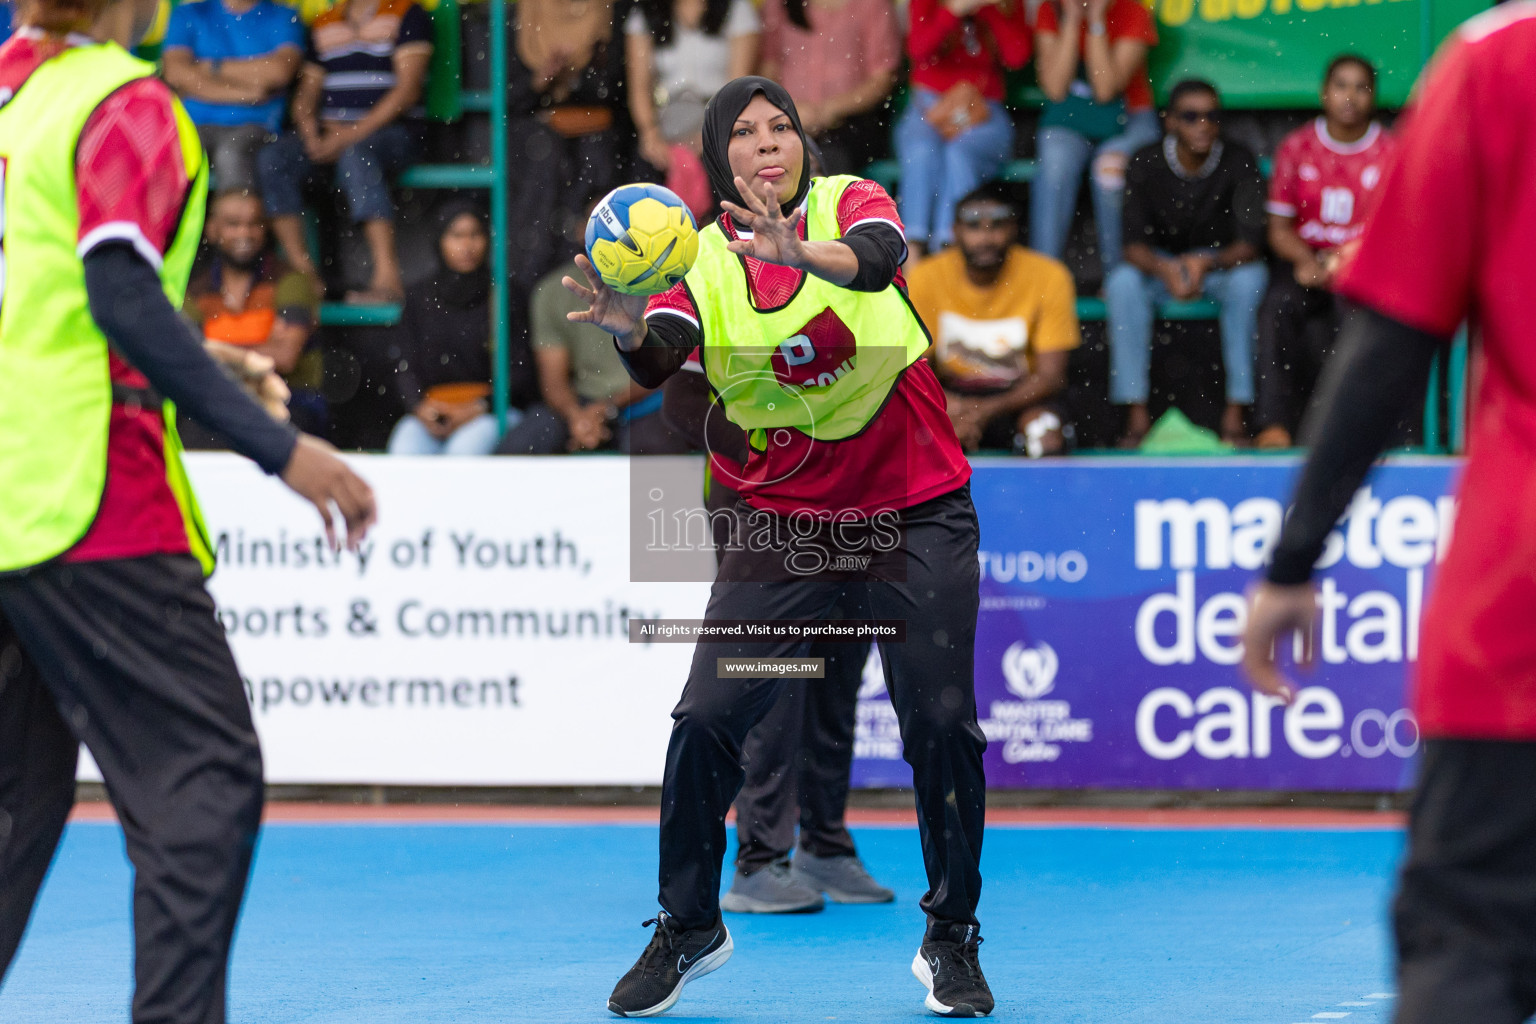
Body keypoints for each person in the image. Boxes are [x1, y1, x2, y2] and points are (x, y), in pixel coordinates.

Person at [566, 76, 991, 1018]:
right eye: (746, 134)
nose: (768, 144)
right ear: (721, 158)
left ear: (802, 142)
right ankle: (688, 927)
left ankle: (951, 935)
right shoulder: (701, 260)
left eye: (781, 127)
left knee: (941, 725)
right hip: (784, 531)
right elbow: (660, 352)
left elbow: (879, 262)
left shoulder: (850, 204)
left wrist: (800, 252)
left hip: (912, 514)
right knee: (708, 718)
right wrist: (631, 324)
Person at [0, 0, 376, 1021]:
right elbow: (116, 293)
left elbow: (43, 299)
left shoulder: (13, 91)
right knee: (203, 781)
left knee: (14, 810)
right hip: (92, 500)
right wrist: (280, 447)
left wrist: (206, 356)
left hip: (9, 494)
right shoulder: (123, 105)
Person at [1242, 9, 1536, 1024]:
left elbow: (1392, 344)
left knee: (1469, 951)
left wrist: (1291, 561)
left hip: (1518, 634)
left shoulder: (1503, 62)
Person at [663, 356, 895, 914]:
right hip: (759, 501)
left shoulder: (859, 283)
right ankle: (760, 859)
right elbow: (682, 406)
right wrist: (778, 455)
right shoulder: (725, 284)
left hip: (854, 502)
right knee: (774, 675)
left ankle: (824, 843)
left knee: (838, 669)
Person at [1105, 79, 1267, 446]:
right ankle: (1135, 414)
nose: (1203, 125)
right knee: (1122, 283)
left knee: (1251, 280)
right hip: (1159, 269)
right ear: (1170, 122)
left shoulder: (1239, 159)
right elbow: (1132, 246)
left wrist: (1204, 263)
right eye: (1190, 116)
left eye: (1211, 116)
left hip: (1217, 267)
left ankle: (1236, 410)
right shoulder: (1145, 160)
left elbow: (1251, 244)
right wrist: (1167, 269)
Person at [1253, 55, 1396, 448]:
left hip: (1365, 267)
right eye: (1341, 86)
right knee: (1277, 307)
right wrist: (1305, 260)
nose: (1350, 96)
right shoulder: (1297, 146)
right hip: (1306, 264)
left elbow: (1396, 230)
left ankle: (1356, 429)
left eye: (1361, 87)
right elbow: (1279, 228)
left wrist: (1346, 260)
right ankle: (1273, 426)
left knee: (1356, 317)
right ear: (1324, 93)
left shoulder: (1390, 151)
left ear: (1373, 96)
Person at [257, 0, 433, 303]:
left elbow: (407, 91)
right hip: (333, 137)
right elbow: (306, 94)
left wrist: (350, 135)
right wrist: (310, 132)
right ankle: (305, 276)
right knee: (274, 159)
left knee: (358, 155)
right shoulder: (325, 22)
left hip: (394, 134)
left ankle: (387, 278)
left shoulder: (407, 13)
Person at [908, 183, 1080, 455]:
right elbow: (912, 366)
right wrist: (951, 406)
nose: (985, 238)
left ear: (1013, 228)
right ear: (955, 231)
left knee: (1044, 435)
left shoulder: (1049, 275)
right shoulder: (926, 277)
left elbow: (1050, 377)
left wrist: (982, 411)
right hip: (950, 395)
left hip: (1021, 397)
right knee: (908, 438)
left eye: (997, 225)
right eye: (974, 226)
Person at [496, 247, 690, 455]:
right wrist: (578, 418)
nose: (615, 238)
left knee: (658, 448)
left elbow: (665, 371)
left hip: (644, 402)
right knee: (519, 447)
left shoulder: (662, 285)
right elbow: (553, 383)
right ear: (583, 230)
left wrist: (606, 408)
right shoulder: (556, 288)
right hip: (580, 403)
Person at [1028, 0, 1159, 274]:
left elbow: (1105, 89)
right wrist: (1073, 20)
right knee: (1055, 165)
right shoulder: (1050, 9)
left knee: (1108, 170)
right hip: (1073, 119)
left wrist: (1096, 18)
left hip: (1130, 120)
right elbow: (1054, 88)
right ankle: (1044, 279)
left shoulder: (1132, 10)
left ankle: (1117, 279)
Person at [182, 190, 326, 439]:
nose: (245, 234)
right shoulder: (195, 292)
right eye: (233, 224)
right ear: (212, 229)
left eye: (254, 224)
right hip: (219, 401)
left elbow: (285, 357)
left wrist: (214, 350)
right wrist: (262, 349)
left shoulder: (291, 282)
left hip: (289, 398)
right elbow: (189, 361)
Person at [895, 0, 1030, 260]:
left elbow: (1017, 57)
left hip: (983, 108)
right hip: (929, 106)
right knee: (921, 152)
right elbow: (918, 50)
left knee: (960, 153)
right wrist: (954, 10)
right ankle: (912, 253)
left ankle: (952, 251)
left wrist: (988, 8)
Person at [506, 0, 628, 285]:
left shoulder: (611, 11)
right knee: (535, 234)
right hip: (539, 148)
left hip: (598, 145)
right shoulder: (523, 13)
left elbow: (617, 91)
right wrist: (540, 80)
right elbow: (510, 100)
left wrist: (574, 77)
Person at [387, 201, 512, 455]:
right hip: (434, 413)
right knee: (404, 453)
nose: (467, 246)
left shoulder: (504, 296)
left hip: (491, 412)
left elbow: (521, 376)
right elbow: (405, 365)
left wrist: (476, 408)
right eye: (456, 235)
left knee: (462, 455)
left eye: (475, 235)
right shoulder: (419, 297)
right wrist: (421, 409)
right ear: (440, 240)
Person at [159, 0, 304, 193]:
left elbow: (280, 71)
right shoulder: (189, 13)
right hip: (194, 125)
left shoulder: (283, 15)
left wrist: (209, 68)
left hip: (257, 126)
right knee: (175, 153)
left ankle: (237, 222)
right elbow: (175, 73)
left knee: (231, 153)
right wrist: (247, 93)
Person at [756, 0, 900, 176]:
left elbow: (882, 79)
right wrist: (787, 109)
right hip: (787, 116)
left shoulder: (872, 4)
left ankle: (822, 202)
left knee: (826, 159)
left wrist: (826, 111)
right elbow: (769, 67)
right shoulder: (778, 4)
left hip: (852, 120)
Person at [625, 0, 759, 179]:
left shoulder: (736, 8)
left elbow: (737, 87)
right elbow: (639, 87)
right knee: (646, 170)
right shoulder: (645, 12)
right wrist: (650, 133)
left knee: (722, 167)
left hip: (718, 116)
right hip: (664, 118)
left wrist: (712, 132)